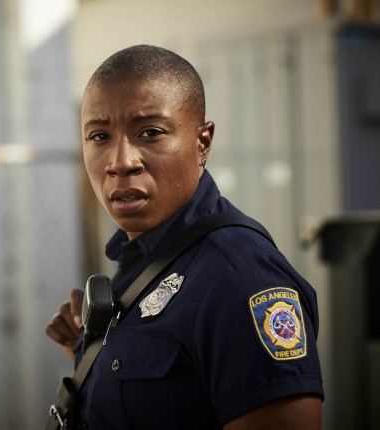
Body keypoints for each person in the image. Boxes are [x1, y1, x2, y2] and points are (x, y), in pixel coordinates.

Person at [45, 45, 324, 429]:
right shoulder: (149, 257)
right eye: (99, 136)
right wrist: (91, 350)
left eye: (150, 132)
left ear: (202, 142)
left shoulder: (240, 276)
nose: (120, 162)